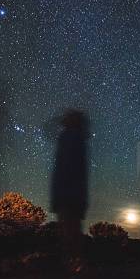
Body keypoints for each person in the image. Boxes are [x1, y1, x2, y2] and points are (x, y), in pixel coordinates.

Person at [49, 109, 90, 269]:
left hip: (67, 192)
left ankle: (72, 264)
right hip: (74, 193)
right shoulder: (77, 138)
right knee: (72, 230)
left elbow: (66, 168)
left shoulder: (69, 137)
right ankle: (75, 263)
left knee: (68, 230)